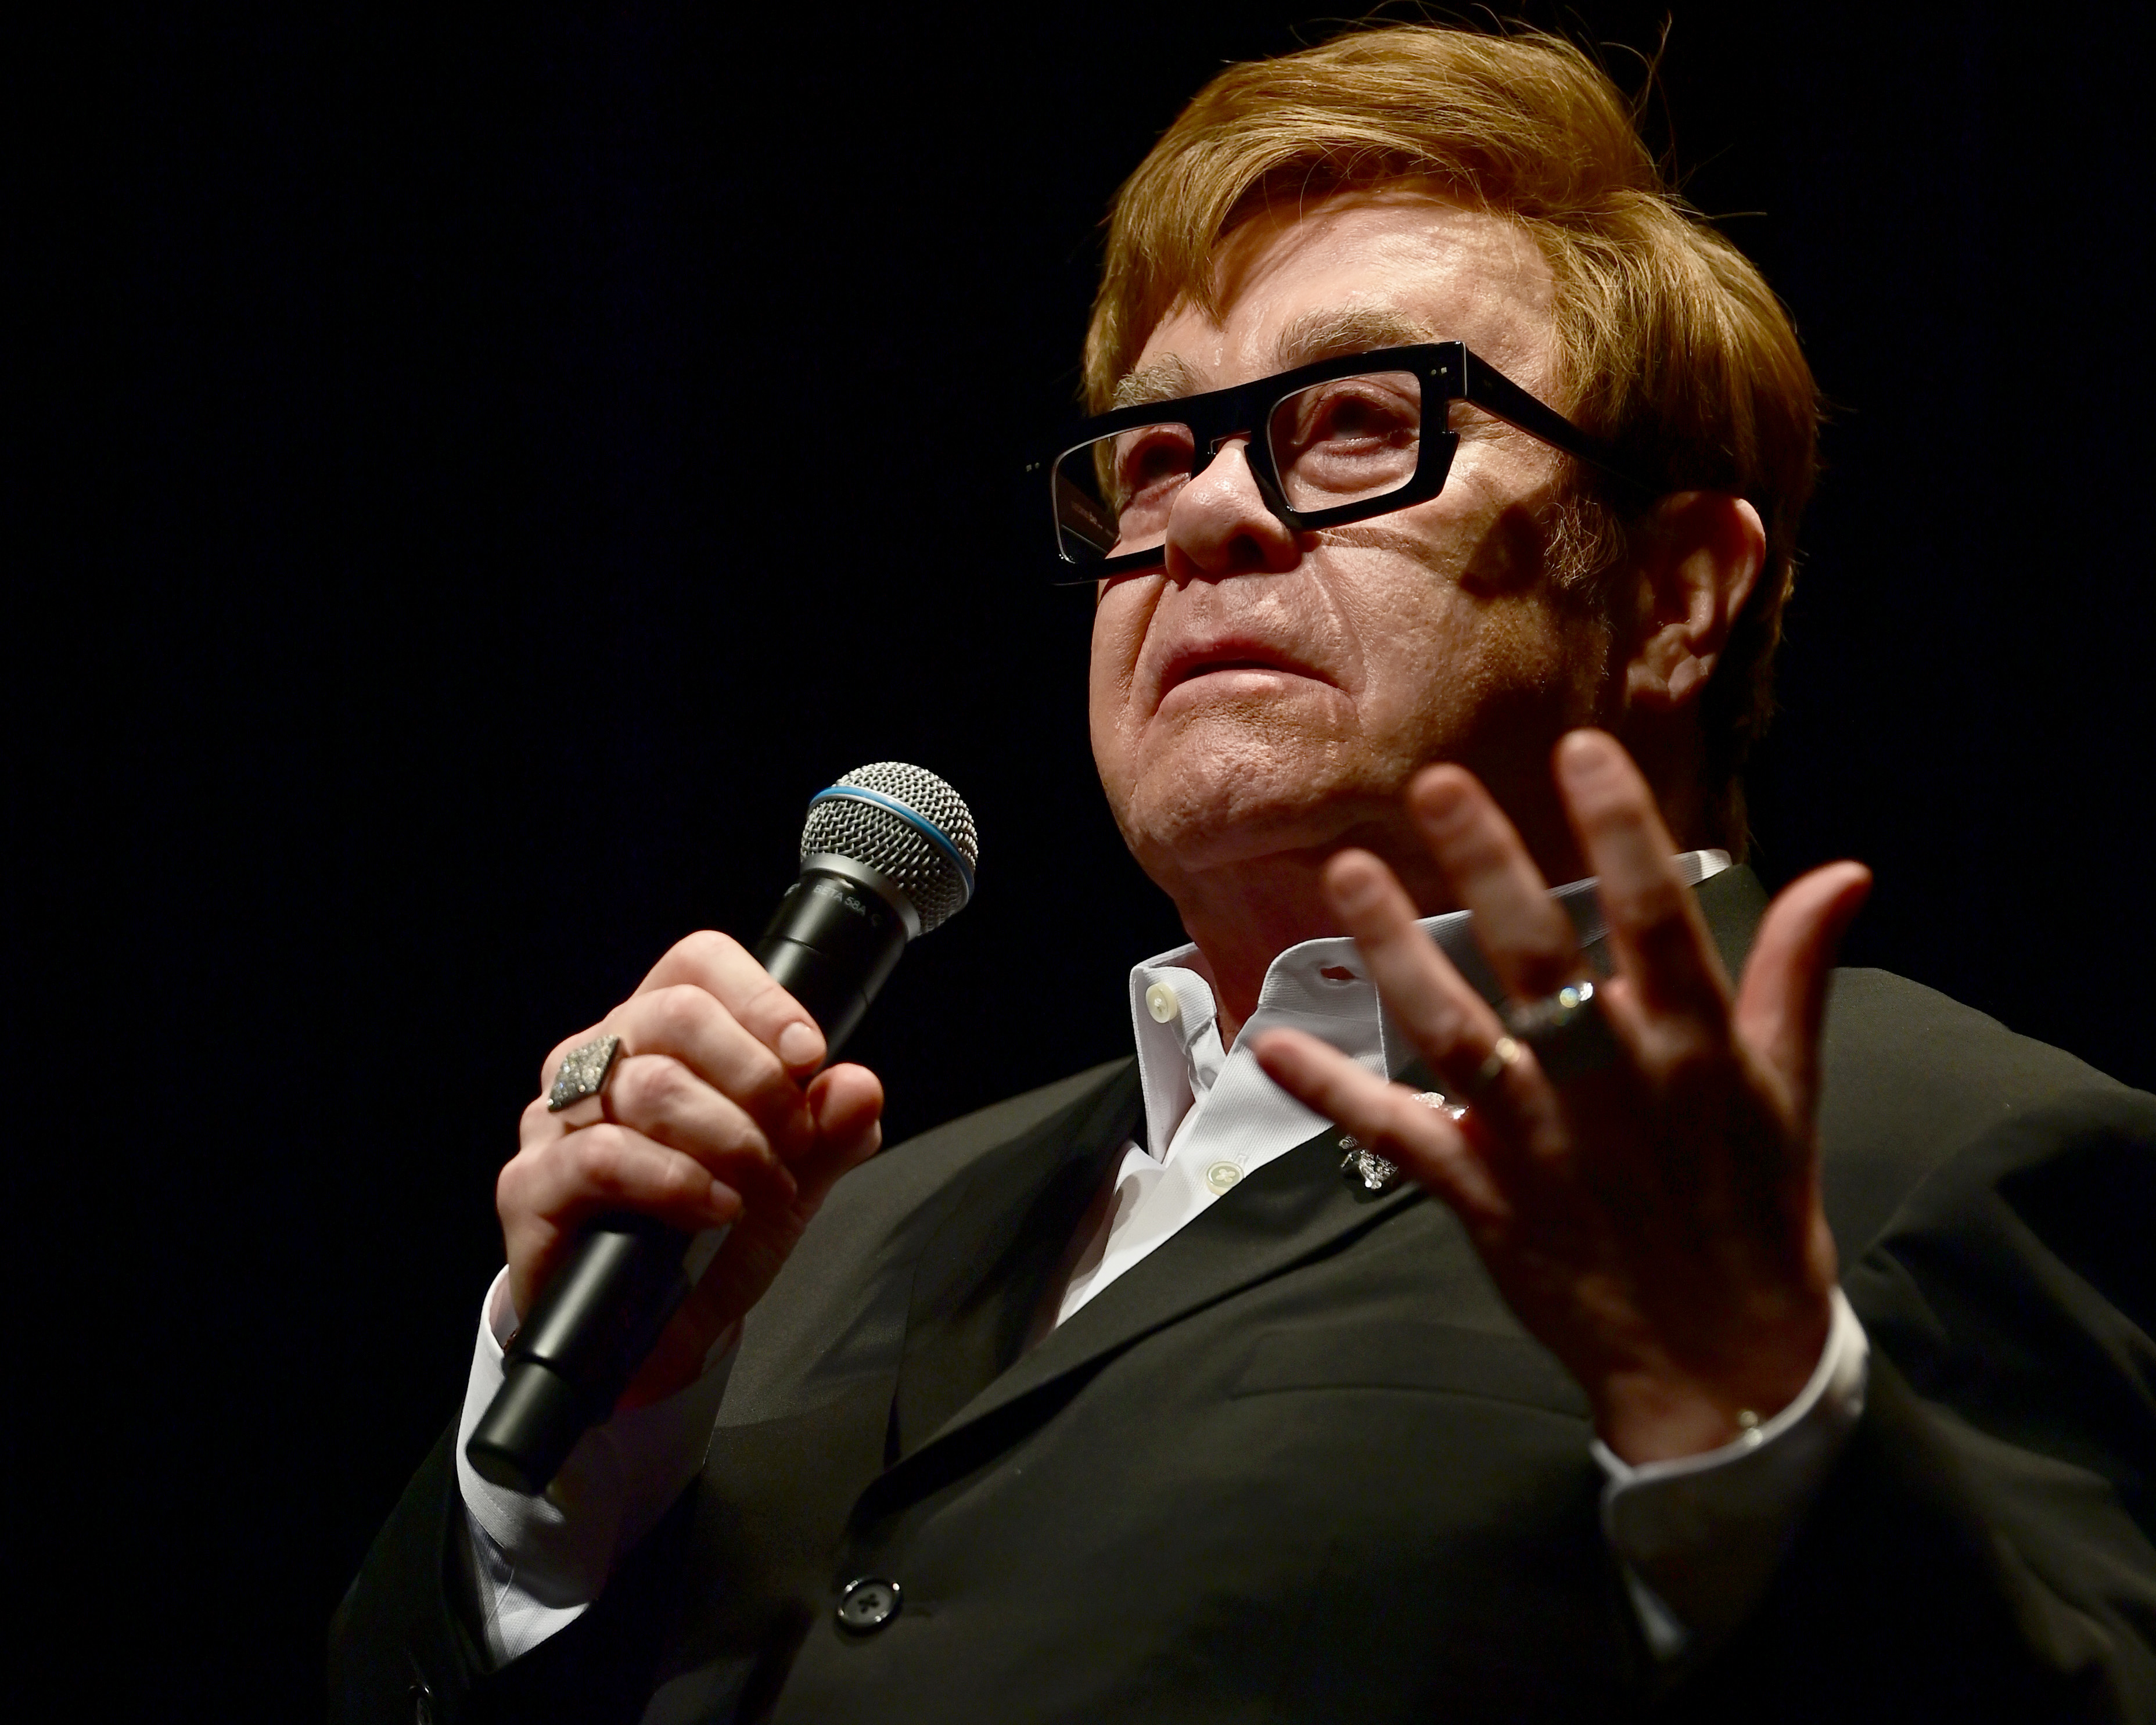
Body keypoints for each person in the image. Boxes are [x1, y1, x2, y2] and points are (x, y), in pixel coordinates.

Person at [331, 24, 2156, 1723]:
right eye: (1149, 449)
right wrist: (574, 1455)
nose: (1203, 511)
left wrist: (1753, 1428)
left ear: (1676, 593)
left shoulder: (1935, 1146)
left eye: (1360, 417)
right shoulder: (832, 1229)